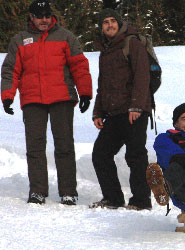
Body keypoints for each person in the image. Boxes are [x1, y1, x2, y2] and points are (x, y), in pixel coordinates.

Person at [1, 0, 92, 205]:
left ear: (51, 16)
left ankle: (68, 192)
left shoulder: (66, 37)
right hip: (33, 100)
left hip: (62, 98)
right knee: (35, 147)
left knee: (64, 146)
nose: (44, 19)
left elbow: (79, 66)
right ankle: (38, 191)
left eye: (47, 15)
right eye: (39, 16)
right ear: (31, 17)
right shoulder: (20, 40)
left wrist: (85, 92)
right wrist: (8, 95)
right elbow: (10, 69)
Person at [90, 8, 152, 210]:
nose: (109, 25)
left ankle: (141, 201)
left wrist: (136, 105)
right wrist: (98, 111)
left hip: (135, 110)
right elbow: (103, 84)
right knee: (101, 153)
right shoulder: (105, 51)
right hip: (114, 113)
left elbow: (142, 76)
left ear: (119, 23)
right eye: (105, 22)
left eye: (112, 21)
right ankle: (113, 198)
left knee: (135, 156)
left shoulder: (131, 43)